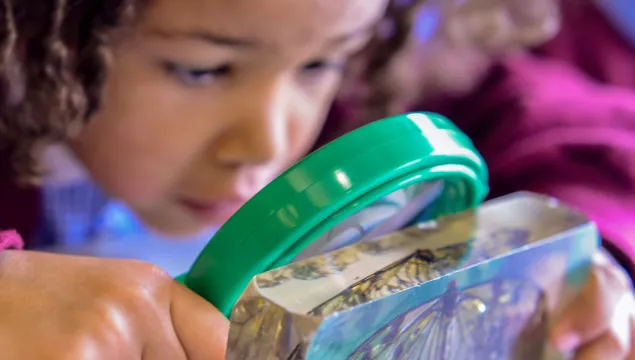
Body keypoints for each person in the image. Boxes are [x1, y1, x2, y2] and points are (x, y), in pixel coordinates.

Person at [0, 0, 633, 358]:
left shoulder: (371, 76)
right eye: (202, 70)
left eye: (323, 62)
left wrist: (595, 257)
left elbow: (580, 128)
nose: (270, 143)